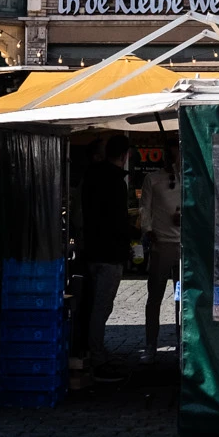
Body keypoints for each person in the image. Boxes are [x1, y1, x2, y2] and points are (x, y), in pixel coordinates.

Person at [78, 136, 136, 376]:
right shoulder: (115, 182)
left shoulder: (91, 176)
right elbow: (118, 220)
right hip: (110, 252)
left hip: (91, 249)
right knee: (101, 306)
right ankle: (97, 356)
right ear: (124, 155)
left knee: (92, 304)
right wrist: (133, 235)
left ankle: (90, 350)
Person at [139, 150, 181, 359]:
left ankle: (182, 342)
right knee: (155, 297)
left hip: (184, 247)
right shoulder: (153, 179)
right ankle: (150, 344)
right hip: (161, 245)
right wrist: (148, 231)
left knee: (182, 299)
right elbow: (144, 208)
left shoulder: (189, 178)